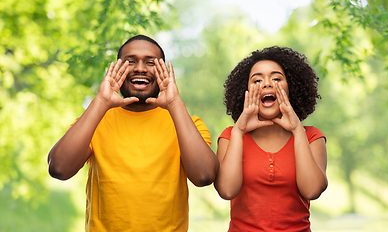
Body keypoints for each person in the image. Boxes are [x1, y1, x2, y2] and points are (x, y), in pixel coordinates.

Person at [47, 35, 219, 232]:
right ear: (117, 68)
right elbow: (59, 168)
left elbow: (204, 176)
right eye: (130, 61)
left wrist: (174, 103)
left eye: (150, 62)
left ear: (164, 71)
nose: (140, 68)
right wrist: (101, 100)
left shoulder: (188, 124)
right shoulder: (95, 121)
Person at [214, 46, 328, 231]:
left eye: (276, 78)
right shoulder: (230, 136)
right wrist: (239, 131)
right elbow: (226, 191)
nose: (267, 84)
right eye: (257, 80)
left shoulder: (312, 136)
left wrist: (297, 130)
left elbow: (312, 190)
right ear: (246, 91)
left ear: (291, 87)